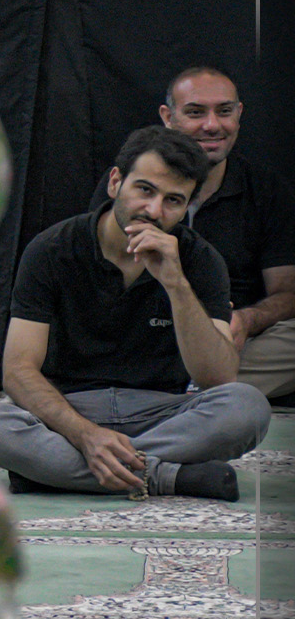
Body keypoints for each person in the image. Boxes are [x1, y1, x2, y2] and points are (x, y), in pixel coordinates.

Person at [0, 126, 271, 500]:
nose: (154, 210)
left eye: (173, 200)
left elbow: (218, 377)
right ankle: (166, 476)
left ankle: (58, 472)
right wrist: (85, 436)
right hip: (68, 409)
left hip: (159, 412)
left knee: (247, 407)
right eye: (145, 190)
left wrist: (175, 283)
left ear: (186, 208)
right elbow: (17, 370)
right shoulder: (51, 249)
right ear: (115, 183)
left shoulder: (200, 260)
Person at [124, 68, 293, 399]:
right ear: (168, 117)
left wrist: (247, 320)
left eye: (224, 111)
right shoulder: (132, 185)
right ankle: (200, 387)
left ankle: (176, 389)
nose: (212, 125)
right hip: (148, 336)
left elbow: (288, 292)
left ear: (239, 114)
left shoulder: (266, 190)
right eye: (195, 112)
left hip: (234, 342)